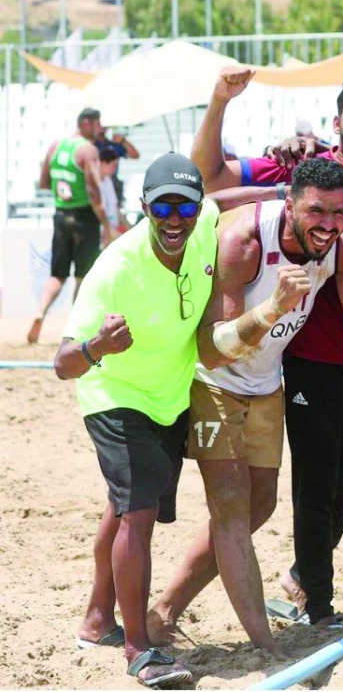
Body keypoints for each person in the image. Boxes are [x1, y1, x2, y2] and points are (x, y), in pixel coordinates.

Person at [147, 158, 343, 652]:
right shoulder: (245, 241)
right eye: (316, 212)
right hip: (211, 382)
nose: (328, 224)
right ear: (290, 206)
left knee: (259, 506)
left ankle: (163, 612)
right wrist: (274, 307)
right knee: (231, 507)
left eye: (338, 212)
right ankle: (263, 644)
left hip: (265, 384)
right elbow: (213, 350)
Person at [189, 67, 343, 630]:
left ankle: (298, 581)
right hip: (285, 366)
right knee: (282, 497)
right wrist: (220, 100)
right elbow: (207, 182)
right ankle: (309, 609)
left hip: (336, 369)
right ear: (337, 121)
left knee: (323, 493)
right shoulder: (291, 176)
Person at [54, 153, 216, 688]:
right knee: (139, 511)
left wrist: (282, 188)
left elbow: (228, 198)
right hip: (115, 393)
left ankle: (97, 619)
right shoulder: (115, 267)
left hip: (169, 397)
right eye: (162, 207)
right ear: (144, 207)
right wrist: (97, 346)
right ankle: (138, 648)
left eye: (184, 207)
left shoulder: (204, 226)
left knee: (124, 505)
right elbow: (62, 364)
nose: (175, 219)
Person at [29, 107, 113, 343]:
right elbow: (93, 190)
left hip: (61, 214)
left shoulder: (55, 146)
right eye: (97, 123)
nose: (100, 128)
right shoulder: (88, 150)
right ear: (86, 123)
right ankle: (75, 328)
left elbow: (43, 182)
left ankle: (40, 312)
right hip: (85, 216)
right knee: (83, 277)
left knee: (57, 274)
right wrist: (106, 223)